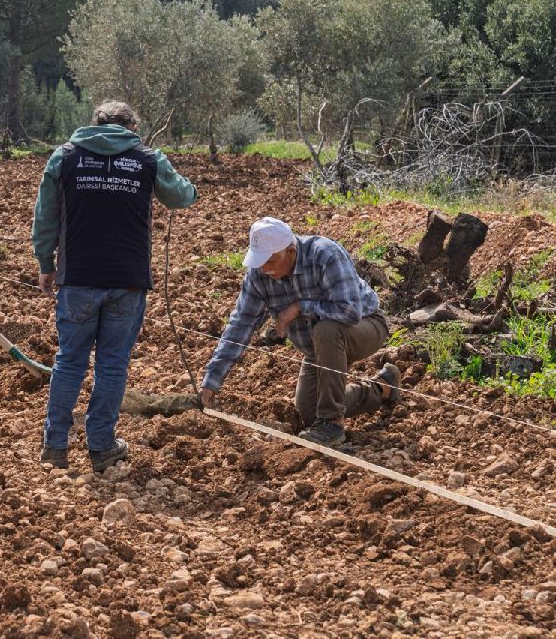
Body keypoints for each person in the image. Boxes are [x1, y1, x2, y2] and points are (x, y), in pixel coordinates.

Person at [32, 101, 198, 472]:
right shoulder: (148, 159)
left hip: (77, 277)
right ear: (132, 127)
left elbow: (44, 215)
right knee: (112, 365)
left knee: (69, 361)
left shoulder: (65, 157)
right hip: (128, 279)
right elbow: (182, 196)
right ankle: (101, 446)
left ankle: (55, 446)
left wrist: (46, 264)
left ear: (95, 124)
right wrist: (181, 178)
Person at [200, 217, 402, 447]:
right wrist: (212, 380)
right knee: (309, 413)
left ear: (291, 251)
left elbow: (350, 311)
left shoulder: (325, 255)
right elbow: (241, 324)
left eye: (271, 261)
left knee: (326, 330)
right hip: (320, 347)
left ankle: (333, 424)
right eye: (260, 261)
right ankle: (383, 387)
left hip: (365, 326)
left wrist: (300, 308)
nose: (265, 269)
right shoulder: (260, 274)